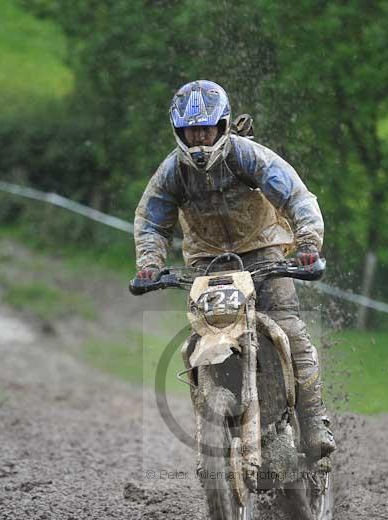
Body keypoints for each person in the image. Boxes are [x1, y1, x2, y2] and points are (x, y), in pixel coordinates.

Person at [132, 80, 335, 459]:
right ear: (179, 131)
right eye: (191, 131)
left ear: (222, 126)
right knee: (199, 341)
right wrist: (149, 263)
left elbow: (295, 196)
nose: (199, 140)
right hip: (206, 264)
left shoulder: (248, 157)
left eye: (206, 129)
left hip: (265, 252)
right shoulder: (172, 173)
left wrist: (307, 243)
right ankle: (217, 426)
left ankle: (313, 419)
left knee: (288, 329)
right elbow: (151, 222)